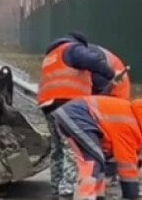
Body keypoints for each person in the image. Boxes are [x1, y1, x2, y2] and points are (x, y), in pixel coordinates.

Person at [37, 32, 117, 198]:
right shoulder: (73, 49)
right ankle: (67, 191)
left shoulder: (52, 55)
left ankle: (56, 187)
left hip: (48, 104)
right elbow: (93, 61)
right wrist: (111, 74)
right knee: (71, 149)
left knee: (57, 148)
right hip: (67, 104)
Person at [52, 95, 142, 200]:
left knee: (99, 160)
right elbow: (127, 163)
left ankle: (98, 196)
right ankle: (85, 196)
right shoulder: (131, 127)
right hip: (78, 114)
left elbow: (112, 158)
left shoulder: (133, 117)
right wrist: (131, 195)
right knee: (93, 162)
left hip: (76, 113)